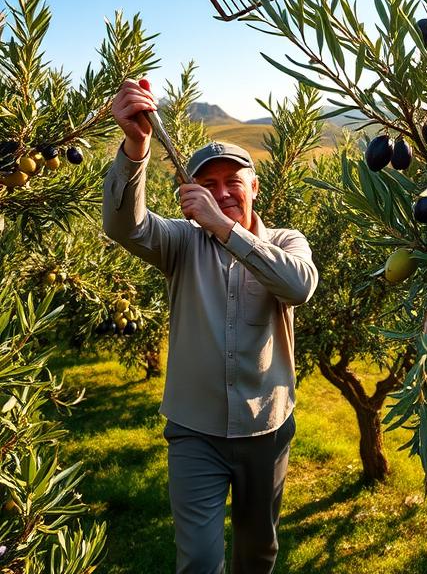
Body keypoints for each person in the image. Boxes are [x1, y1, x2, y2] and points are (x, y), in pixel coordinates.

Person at [103, 79, 319, 573]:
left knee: (257, 552)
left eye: (232, 182)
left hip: (266, 428)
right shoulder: (181, 242)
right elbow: (124, 226)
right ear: (193, 189)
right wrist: (136, 146)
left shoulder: (286, 242)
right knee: (199, 559)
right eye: (210, 184)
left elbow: (300, 286)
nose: (222, 193)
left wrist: (225, 229)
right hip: (194, 430)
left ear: (254, 187)